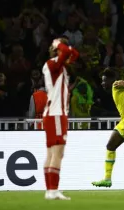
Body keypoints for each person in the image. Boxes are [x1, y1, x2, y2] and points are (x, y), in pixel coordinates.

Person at [42, 38, 79, 200]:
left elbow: (75, 54)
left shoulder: (58, 66)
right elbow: (68, 52)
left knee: (53, 153)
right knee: (57, 152)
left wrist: (62, 46)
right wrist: (58, 43)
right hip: (56, 113)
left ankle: (50, 190)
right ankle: (52, 190)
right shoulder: (53, 64)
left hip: (54, 113)